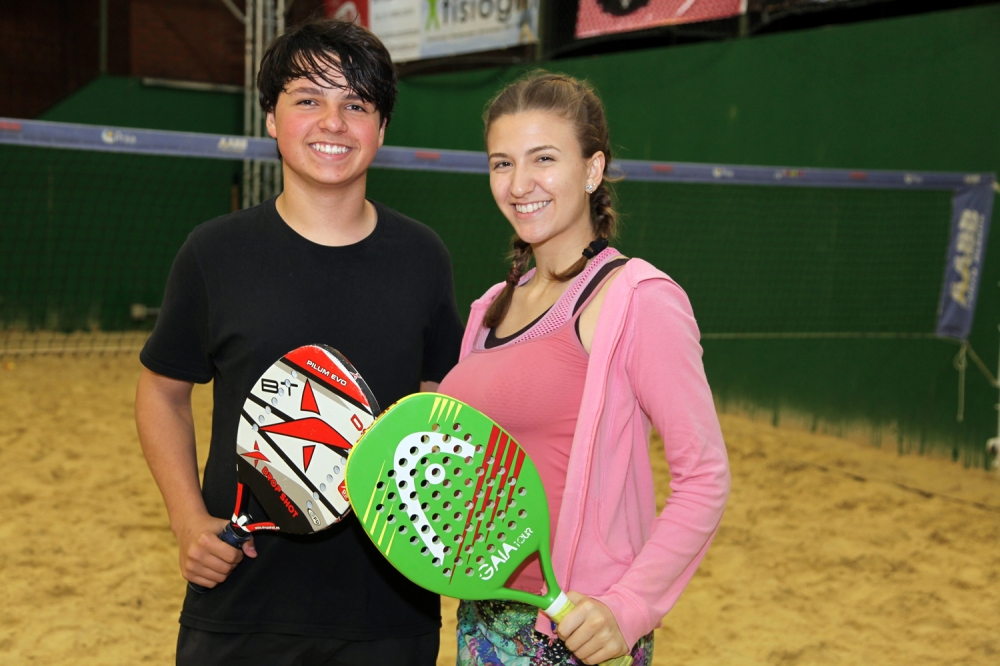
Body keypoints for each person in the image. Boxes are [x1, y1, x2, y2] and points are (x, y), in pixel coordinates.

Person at [134, 19, 463, 666]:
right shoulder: (213, 252)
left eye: (357, 105)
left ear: (382, 128)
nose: (332, 122)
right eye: (308, 99)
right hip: (240, 602)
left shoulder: (424, 256)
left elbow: (438, 396)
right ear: (271, 118)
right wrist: (186, 519)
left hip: (389, 611)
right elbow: (161, 393)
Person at [437, 72, 731, 666]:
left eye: (543, 158)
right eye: (502, 163)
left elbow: (704, 476)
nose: (520, 184)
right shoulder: (488, 308)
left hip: (580, 633)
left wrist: (628, 607)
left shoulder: (638, 298)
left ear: (593, 170)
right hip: (482, 622)